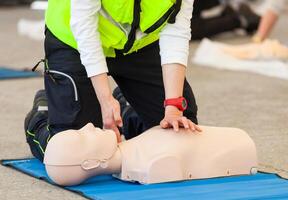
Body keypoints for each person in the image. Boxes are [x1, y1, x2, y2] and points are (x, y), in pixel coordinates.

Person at [24, 0, 200, 162]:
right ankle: (43, 112)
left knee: (179, 135)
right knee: (71, 153)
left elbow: (177, 30)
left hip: (137, 44)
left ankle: (125, 110)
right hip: (75, 41)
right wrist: (105, 99)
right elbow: (84, 25)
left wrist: (173, 107)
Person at [44, 123, 257, 186]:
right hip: (241, 146)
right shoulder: (151, 164)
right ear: (91, 164)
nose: (89, 125)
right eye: (83, 137)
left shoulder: (139, 148)